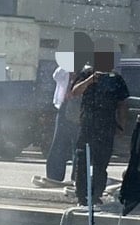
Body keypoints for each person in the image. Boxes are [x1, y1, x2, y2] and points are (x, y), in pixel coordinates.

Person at [68, 63, 130, 207]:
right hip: (87, 126)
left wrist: (121, 125)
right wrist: (90, 80)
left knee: (101, 163)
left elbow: (123, 103)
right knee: (82, 161)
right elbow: (75, 92)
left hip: (106, 126)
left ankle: (96, 195)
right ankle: (81, 196)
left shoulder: (116, 79)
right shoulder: (86, 73)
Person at [33, 60, 77, 187]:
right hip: (64, 107)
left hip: (78, 108)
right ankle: (54, 176)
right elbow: (56, 75)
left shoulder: (86, 71)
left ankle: (77, 177)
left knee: (77, 145)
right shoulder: (63, 70)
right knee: (59, 142)